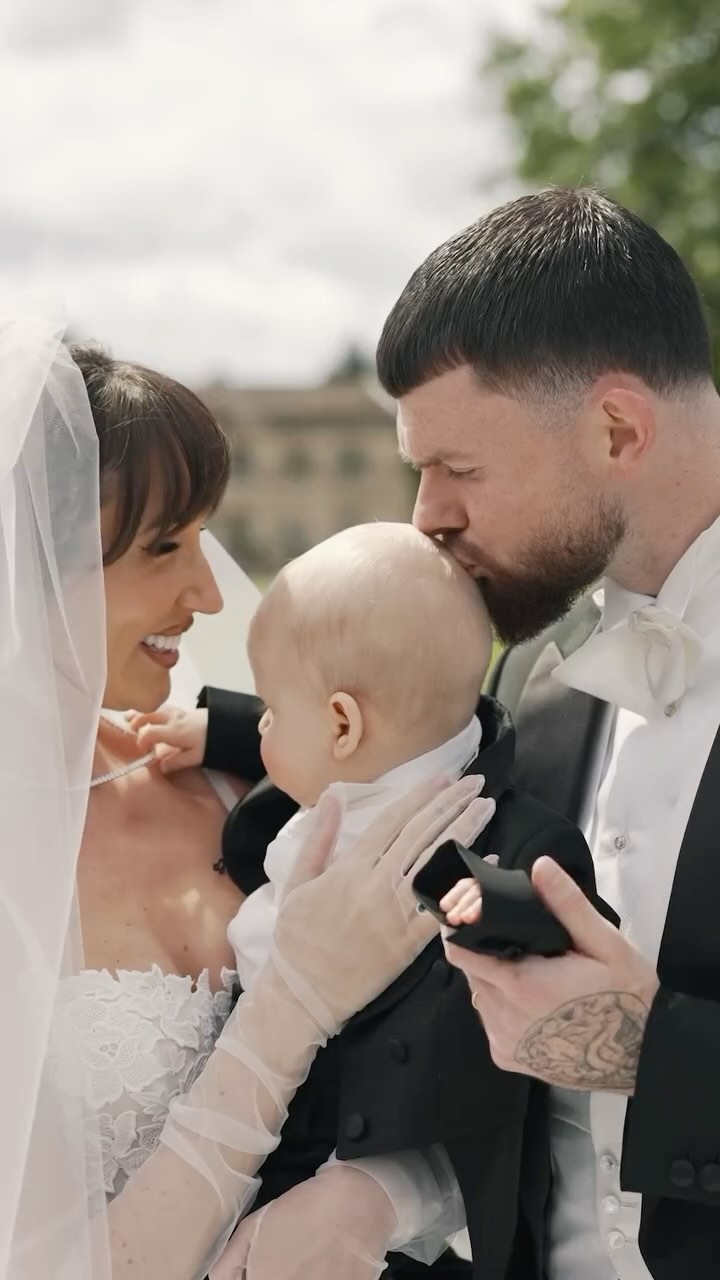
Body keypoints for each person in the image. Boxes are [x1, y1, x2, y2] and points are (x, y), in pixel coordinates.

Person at [2, 319, 489, 1280]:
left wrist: (385, 1194)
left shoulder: (242, 781)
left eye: (204, 536)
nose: (211, 592)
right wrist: (289, 1007)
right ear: (23, 564)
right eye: (163, 546)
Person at [372, 185, 720, 1280]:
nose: (427, 513)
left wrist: (655, 1056)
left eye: (460, 469)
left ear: (617, 428)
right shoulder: (534, 673)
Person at [141, 524, 615, 1280]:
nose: (263, 723)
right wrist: (224, 728)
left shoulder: (500, 855)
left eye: (269, 709)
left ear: (340, 723)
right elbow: (343, 743)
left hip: (388, 1241)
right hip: (237, 1177)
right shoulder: (355, 767)